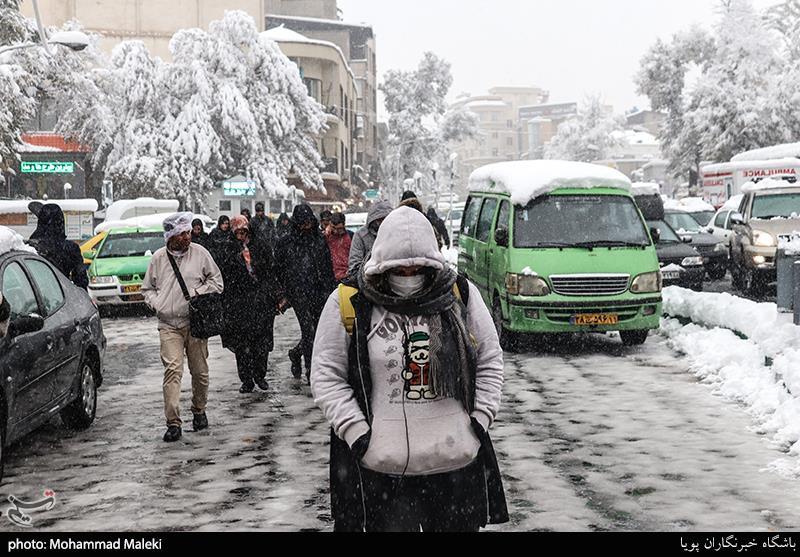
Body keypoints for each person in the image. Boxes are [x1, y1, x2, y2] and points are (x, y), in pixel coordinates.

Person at [311, 206, 508, 532]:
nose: (409, 275)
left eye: (417, 267)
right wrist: (357, 433)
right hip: (382, 471)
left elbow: (489, 358)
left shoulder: (459, 295)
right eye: (398, 270)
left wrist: (480, 419)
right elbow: (326, 374)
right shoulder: (350, 301)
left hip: (454, 465)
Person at [141, 212, 224, 443]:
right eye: (182, 234)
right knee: (173, 370)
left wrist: (197, 295)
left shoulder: (201, 254)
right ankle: (173, 423)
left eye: (188, 232)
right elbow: (146, 289)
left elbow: (217, 282)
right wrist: (157, 304)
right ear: (171, 236)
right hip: (168, 325)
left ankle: (199, 410)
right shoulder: (158, 258)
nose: (187, 237)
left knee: (200, 372)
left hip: (195, 323)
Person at [215, 216, 280, 394]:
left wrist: (272, 293)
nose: (241, 236)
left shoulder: (261, 246)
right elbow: (224, 275)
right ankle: (246, 379)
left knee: (261, 342)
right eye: (238, 233)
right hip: (238, 303)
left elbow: (270, 271)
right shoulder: (227, 249)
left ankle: (260, 375)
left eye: (244, 232)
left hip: (261, 301)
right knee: (242, 345)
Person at [273, 204, 337, 384]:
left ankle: (297, 353)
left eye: (309, 223)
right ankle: (311, 370)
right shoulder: (286, 242)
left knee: (318, 331)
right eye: (303, 223)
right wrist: (283, 292)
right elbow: (278, 269)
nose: (306, 227)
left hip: (318, 290)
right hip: (298, 293)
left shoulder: (319, 240)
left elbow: (327, 268)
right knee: (308, 330)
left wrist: (331, 291)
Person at [27, 204, 88, 290]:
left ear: (40, 221)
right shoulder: (71, 248)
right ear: (61, 221)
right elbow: (81, 280)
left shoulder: (31, 247)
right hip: (62, 295)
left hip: (33, 295)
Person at [345, 201, 393, 285]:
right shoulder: (361, 236)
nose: (383, 223)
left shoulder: (397, 233)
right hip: (367, 283)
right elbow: (354, 264)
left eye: (385, 219)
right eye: (380, 220)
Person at [325, 213, 352, 283]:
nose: (336, 231)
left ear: (344, 225)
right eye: (334, 228)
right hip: (330, 278)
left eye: (339, 228)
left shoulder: (351, 236)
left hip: (348, 276)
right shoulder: (326, 237)